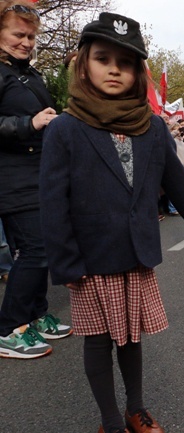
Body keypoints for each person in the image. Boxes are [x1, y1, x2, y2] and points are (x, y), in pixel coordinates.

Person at [39, 12, 184, 433]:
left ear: (140, 73)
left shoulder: (153, 127)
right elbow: (53, 204)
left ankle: (135, 409)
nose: (115, 68)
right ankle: (110, 421)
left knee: (132, 336)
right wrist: (66, 264)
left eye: (126, 61)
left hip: (136, 254)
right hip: (90, 260)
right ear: (83, 65)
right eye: (103, 58)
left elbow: (178, 188)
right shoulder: (64, 129)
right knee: (99, 341)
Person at [0, 1, 72, 360]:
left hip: (38, 174)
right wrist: (29, 124)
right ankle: (8, 328)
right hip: (11, 178)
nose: (26, 42)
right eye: (18, 34)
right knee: (37, 249)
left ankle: (35, 315)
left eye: (31, 36)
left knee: (39, 250)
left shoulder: (28, 73)